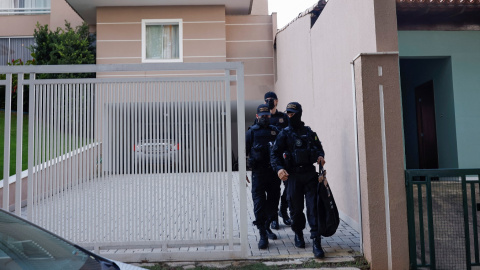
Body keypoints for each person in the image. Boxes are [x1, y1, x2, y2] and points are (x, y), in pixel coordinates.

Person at [270, 102, 326, 258]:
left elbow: (319, 148)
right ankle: (298, 233)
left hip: (309, 174)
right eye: (287, 113)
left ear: (299, 114)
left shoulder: (309, 133)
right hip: (293, 176)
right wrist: (279, 168)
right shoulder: (284, 134)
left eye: (292, 113)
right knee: (296, 209)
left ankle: (316, 241)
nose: (289, 116)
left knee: (313, 208)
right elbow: (274, 155)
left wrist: (321, 156)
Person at [253, 92, 292, 230]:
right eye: (267, 100)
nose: (269, 102)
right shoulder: (261, 119)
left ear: (277, 101)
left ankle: (284, 209)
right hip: (267, 163)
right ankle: (273, 218)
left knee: (289, 187)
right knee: (273, 191)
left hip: (283, 160)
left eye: (272, 100)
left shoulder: (283, 117)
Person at [246, 104, 281, 249]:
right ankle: (262, 234)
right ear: (257, 117)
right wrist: (244, 172)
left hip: (273, 173)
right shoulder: (251, 133)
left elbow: (281, 151)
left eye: (267, 116)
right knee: (259, 204)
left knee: (273, 204)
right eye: (262, 116)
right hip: (258, 173)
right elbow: (244, 152)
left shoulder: (276, 131)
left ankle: (267, 226)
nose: (265, 118)